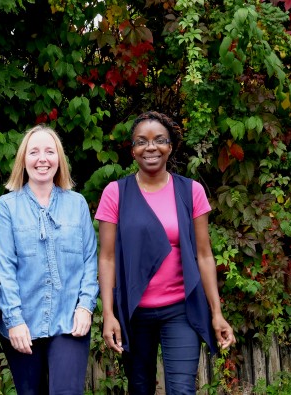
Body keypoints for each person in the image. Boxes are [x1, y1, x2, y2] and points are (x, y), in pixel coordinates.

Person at [95, 111, 236, 395]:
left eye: (159, 140)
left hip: (180, 309)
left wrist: (216, 312)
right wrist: (108, 314)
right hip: (135, 312)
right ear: (132, 150)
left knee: (182, 390)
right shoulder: (116, 193)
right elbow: (107, 258)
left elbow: (205, 255)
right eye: (141, 141)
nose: (150, 147)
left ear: (170, 147)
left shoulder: (191, 191)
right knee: (140, 388)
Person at [0, 124, 98, 395]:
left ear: (59, 159)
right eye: (34, 152)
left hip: (70, 320)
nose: (42, 159)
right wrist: (14, 319)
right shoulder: (7, 208)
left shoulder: (77, 204)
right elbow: (4, 268)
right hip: (23, 323)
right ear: (23, 160)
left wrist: (85, 307)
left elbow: (89, 261)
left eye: (50, 151)